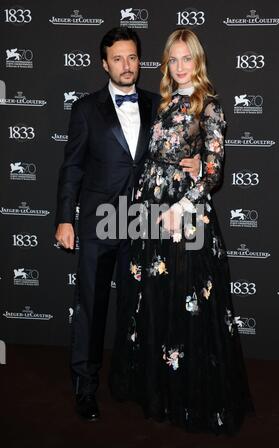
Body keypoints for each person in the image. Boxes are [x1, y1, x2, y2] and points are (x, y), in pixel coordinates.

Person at [109, 28, 254, 435]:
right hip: (150, 214)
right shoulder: (164, 103)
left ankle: (187, 397)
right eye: (172, 59)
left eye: (185, 58)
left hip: (183, 215)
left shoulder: (209, 104)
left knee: (185, 301)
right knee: (153, 301)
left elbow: (213, 169)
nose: (179, 66)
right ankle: (156, 390)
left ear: (198, 60)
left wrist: (181, 208)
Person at [55, 27, 200, 422]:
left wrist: (201, 163)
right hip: (100, 220)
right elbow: (72, 168)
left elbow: (184, 148)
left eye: (132, 57)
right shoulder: (86, 109)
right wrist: (65, 218)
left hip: (143, 220)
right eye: (117, 58)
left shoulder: (160, 104)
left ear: (141, 60)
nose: (126, 65)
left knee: (137, 307)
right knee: (92, 307)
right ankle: (85, 388)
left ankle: (133, 382)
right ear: (105, 64)